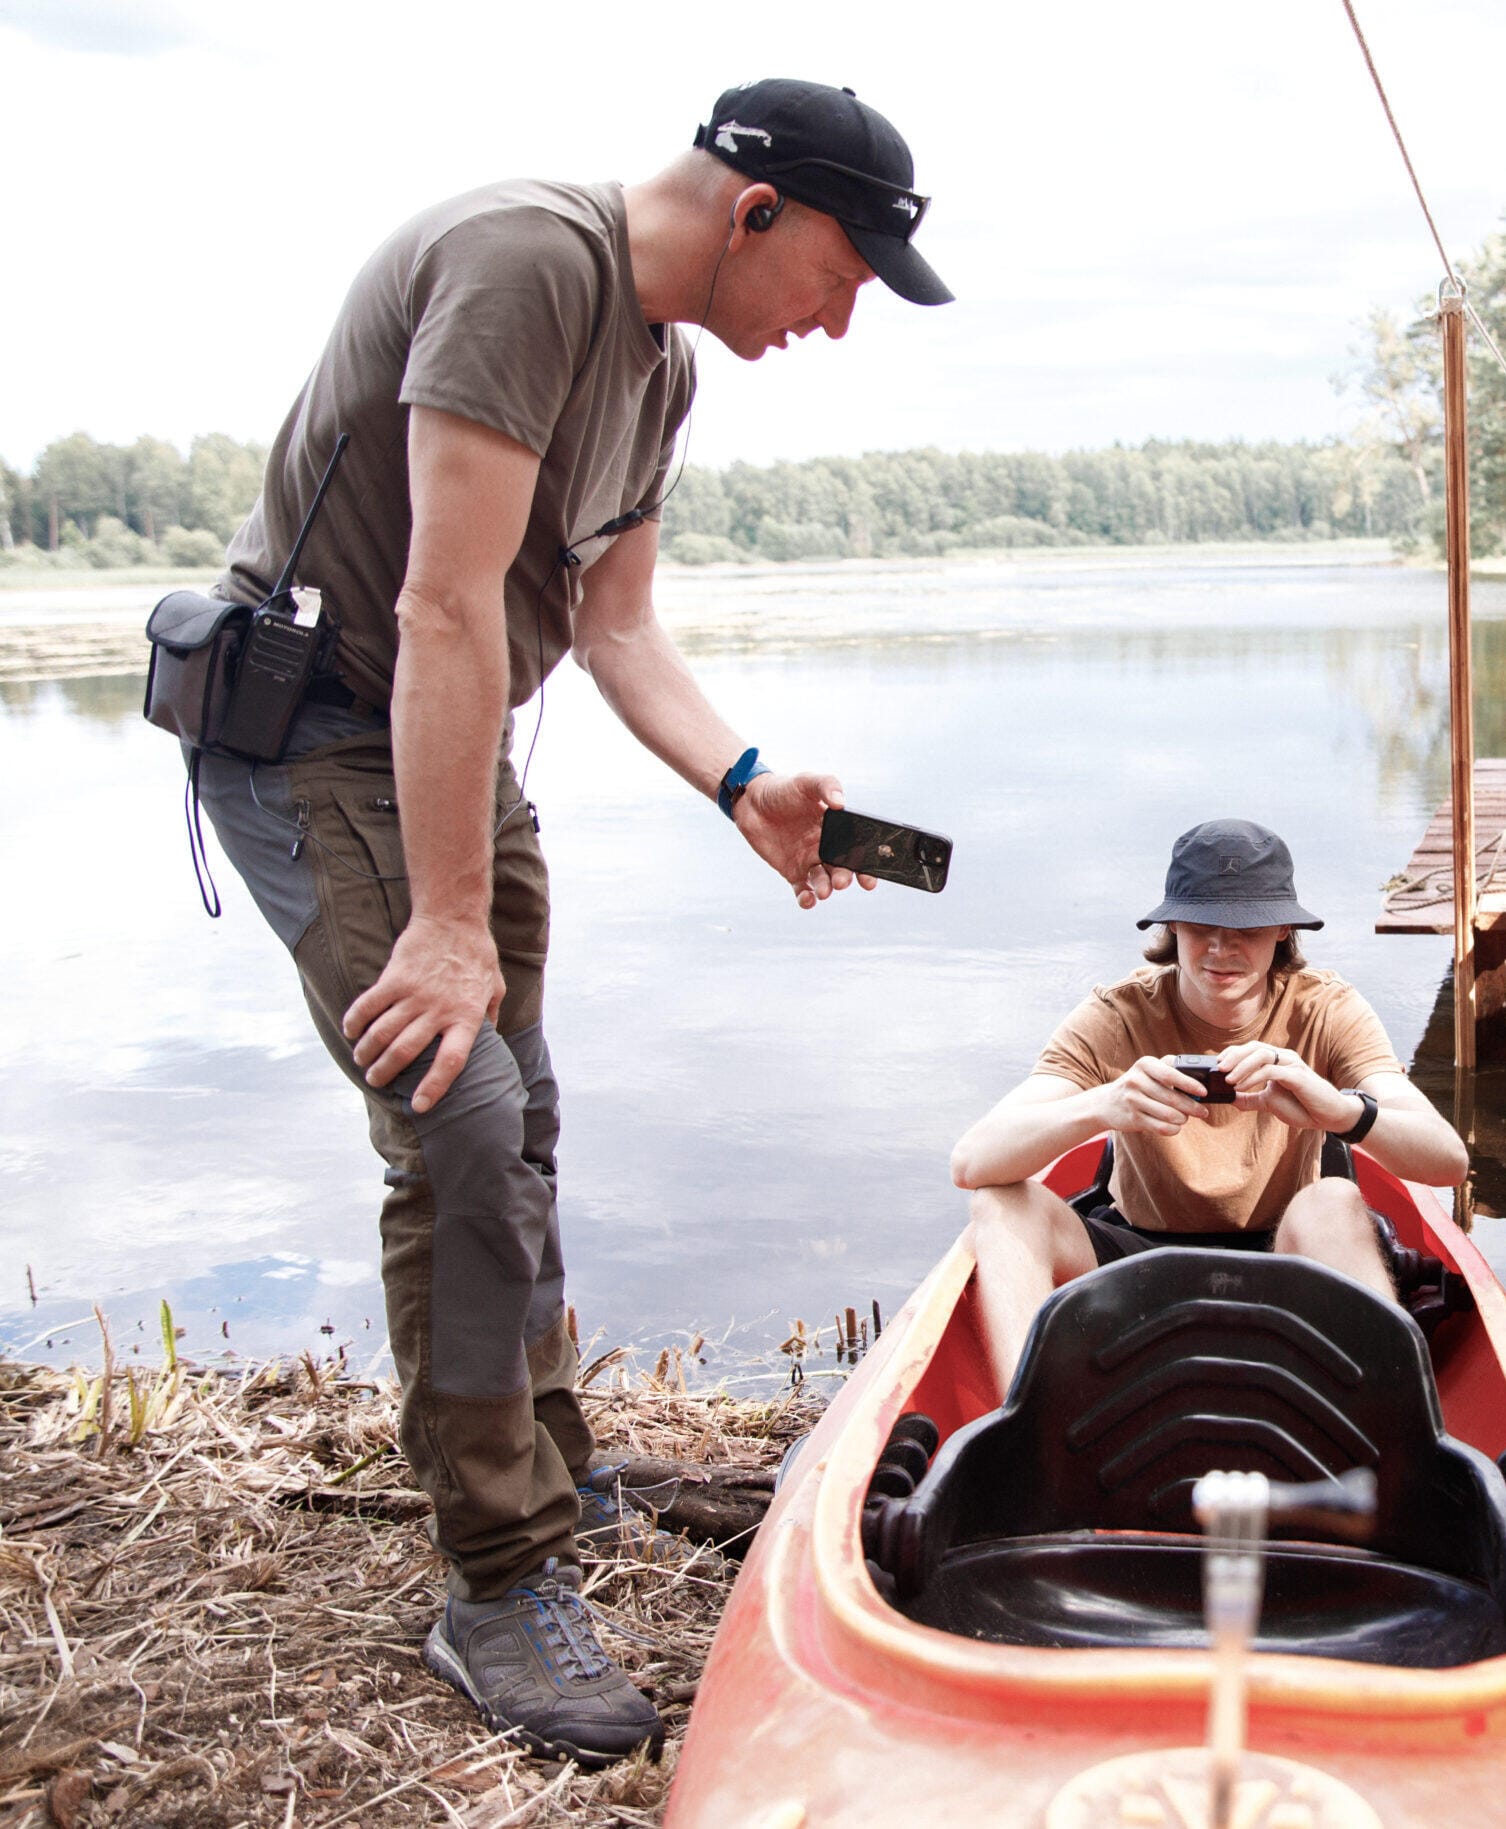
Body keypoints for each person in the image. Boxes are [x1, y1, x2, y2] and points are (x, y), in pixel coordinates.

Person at [177, 80, 953, 1764]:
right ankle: (496, 1570)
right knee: (457, 1103)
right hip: (318, 727)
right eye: (841, 273)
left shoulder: (661, 365)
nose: (837, 320)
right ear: (756, 207)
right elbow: (441, 597)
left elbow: (612, 627)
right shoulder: (533, 261)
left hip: (442, 731)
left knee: (525, 1104)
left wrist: (744, 777)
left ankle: (546, 1445)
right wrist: (445, 921)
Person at [951, 820, 1469, 1389]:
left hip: (1286, 1254)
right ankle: (1029, 1424)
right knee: (1002, 1206)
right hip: (1136, 1257)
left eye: (1244, 928)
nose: (1221, 948)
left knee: (1335, 1198)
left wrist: (1339, 1111)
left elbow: (1448, 1162)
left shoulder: (1327, 1010)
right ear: (1172, 925)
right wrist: (1104, 1106)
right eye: (1201, 926)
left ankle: (1389, 1421)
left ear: (1282, 930)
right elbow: (973, 1163)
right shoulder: (1117, 1015)